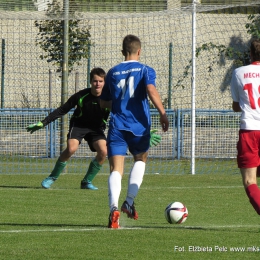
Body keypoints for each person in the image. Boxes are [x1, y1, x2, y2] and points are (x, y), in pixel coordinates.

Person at [100, 34, 169, 228]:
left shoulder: (112, 73)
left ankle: (113, 208)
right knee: (140, 159)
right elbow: (151, 90)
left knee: (116, 169)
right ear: (139, 51)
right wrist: (163, 113)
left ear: (123, 52)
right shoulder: (146, 70)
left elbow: (104, 102)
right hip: (139, 126)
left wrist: (119, 102)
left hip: (117, 126)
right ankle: (128, 202)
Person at [26, 67, 109, 190]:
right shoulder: (81, 95)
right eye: (95, 81)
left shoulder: (109, 98)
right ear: (90, 81)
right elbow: (62, 109)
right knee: (71, 149)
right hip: (78, 126)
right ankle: (52, 177)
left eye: (100, 81)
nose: (98, 84)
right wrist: (43, 123)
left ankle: (86, 182)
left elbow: (122, 112)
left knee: (103, 152)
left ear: (104, 82)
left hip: (96, 129)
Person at [231, 38, 260, 215]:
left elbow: (236, 106)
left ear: (250, 54)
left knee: (250, 180)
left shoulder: (239, 72)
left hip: (250, 130)